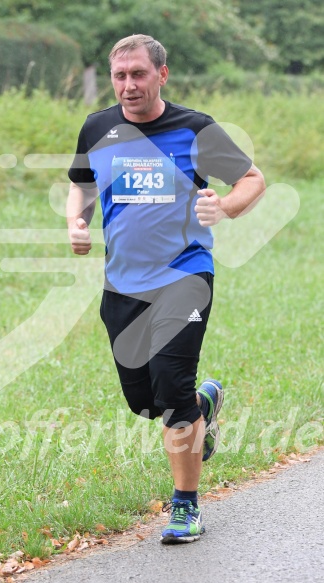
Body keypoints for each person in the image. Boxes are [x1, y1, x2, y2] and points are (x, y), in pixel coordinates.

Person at [67, 34, 265, 544]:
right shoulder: (99, 128)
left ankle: (185, 506)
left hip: (184, 277)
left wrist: (224, 207)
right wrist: (77, 221)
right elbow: (82, 183)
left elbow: (252, 179)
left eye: (138, 74)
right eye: (120, 76)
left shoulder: (194, 129)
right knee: (145, 401)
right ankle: (204, 405)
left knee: (172, 388)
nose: (128, 85)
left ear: (162, 75)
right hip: (123, 284)